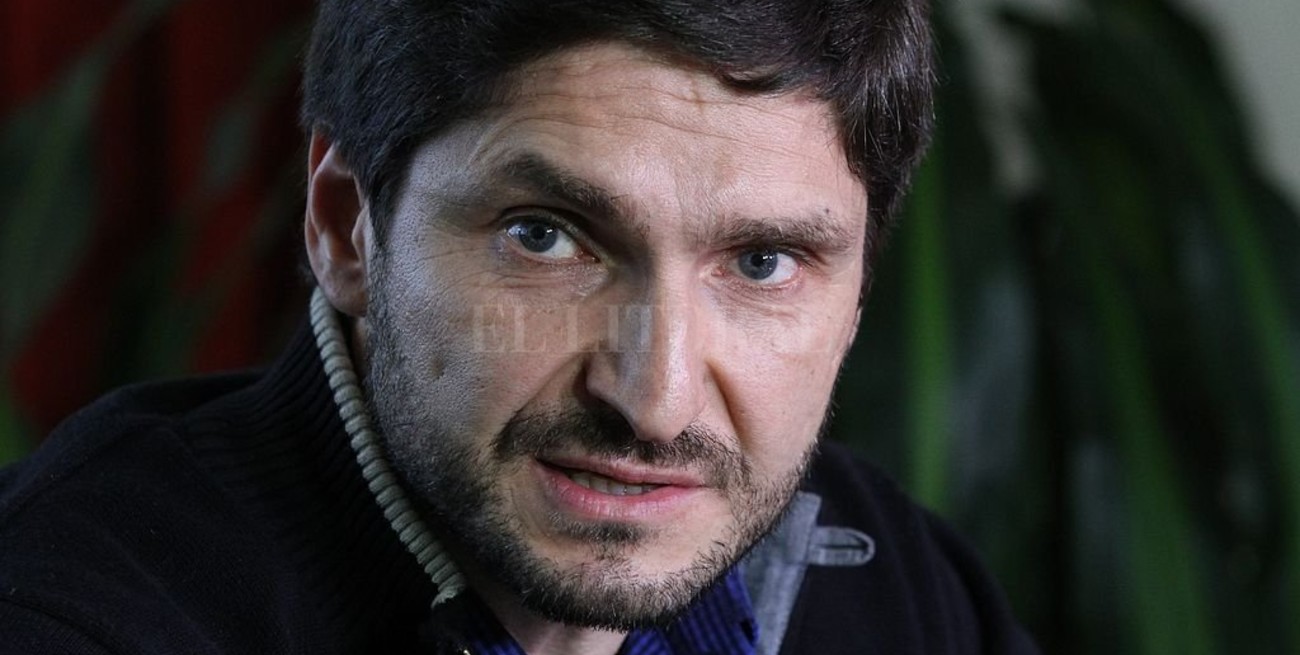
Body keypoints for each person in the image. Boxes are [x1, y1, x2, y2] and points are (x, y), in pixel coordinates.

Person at [0, 1, 1039, 653]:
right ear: (346, 227)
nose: (656, 400)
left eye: (762, 262)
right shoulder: (73, 614)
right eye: (545, 237)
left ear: (857, 291)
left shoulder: (890, 577)